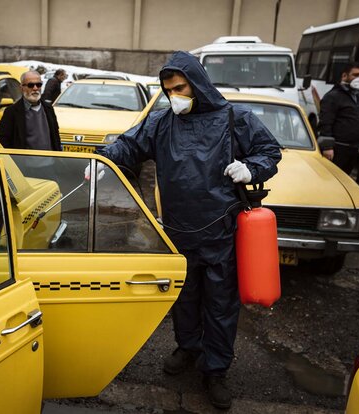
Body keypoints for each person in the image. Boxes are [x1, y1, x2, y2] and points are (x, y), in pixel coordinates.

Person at [91, 51, 281, 409]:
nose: (174, 96)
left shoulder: (233, 117)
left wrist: (251, 168)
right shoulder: (163, 122)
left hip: (220, 230)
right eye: (168, 90)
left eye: (180, 88)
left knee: (221, 303)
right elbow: (129, 145)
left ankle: (216, 369)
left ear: (198, 84)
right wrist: (102, 159)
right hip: (177, 231)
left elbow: (269, 150)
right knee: (184, 297)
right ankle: (188, 347)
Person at [317, 62, 359, 174]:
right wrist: (327, 147)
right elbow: (326, 122)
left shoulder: (358, 97)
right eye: (355, 75)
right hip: (337, 149)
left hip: (353, 149)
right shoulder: (333, 96)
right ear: (344, 76)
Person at [0, 70, 61, 151]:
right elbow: (3, 141)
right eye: (30, 85)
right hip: (24, 163)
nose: (35, 88)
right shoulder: (11, 112)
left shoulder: (48, 109)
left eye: (38, 85)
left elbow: (56, 137)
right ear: (21, 88)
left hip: (50, 162)